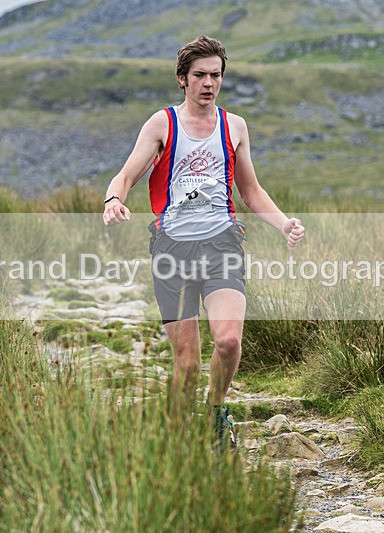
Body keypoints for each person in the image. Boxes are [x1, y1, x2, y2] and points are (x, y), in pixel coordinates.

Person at [102, 35, 305, 451]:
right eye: (200, 75)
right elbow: (125, 175)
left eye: (215, 75)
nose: (208, 83)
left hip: (222, 245)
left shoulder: (235, 127)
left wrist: (283, 224)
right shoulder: (162, 124)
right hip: (172, 250)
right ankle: (177, 437)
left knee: (229, 341)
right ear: (182, 79)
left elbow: (250, 190)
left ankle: (216, 413)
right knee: (188, 364)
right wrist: (113, 200)